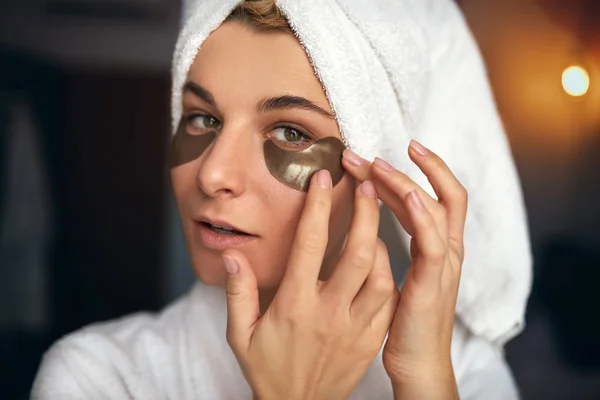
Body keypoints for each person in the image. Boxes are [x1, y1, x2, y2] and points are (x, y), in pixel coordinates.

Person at [32, 0, 532, 399]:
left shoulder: (457, 371)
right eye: (202, 118)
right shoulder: (99, 377)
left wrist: (422, 380)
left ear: (378, 172)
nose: (212, 174)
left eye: (290, 132)